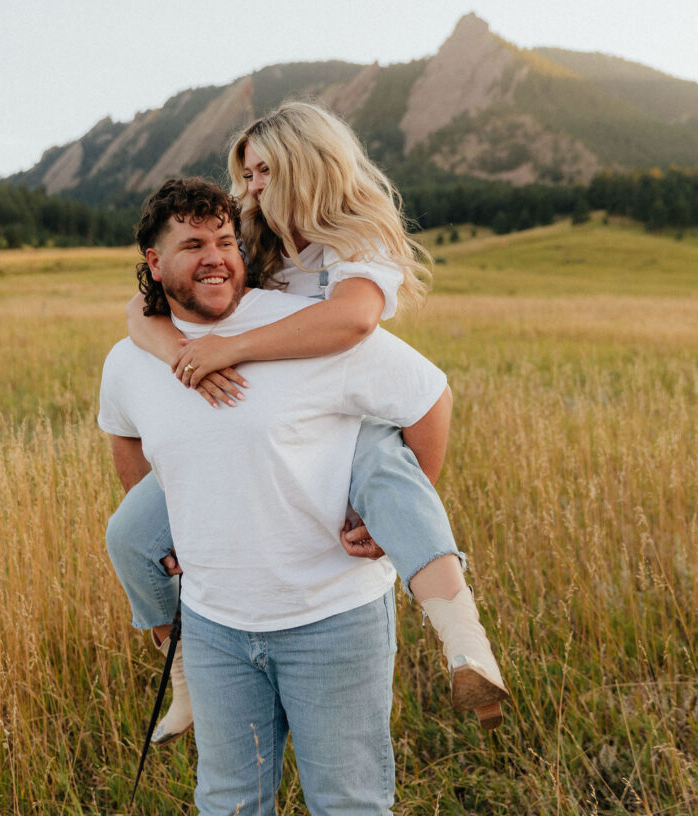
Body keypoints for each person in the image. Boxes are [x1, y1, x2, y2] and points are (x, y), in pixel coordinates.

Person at [110, 103, 507, 748]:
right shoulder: (253, 231)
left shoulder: (359, 240)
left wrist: (230, 349)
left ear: (307, 166)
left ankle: (465, 644)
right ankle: (180, 668)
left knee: (389, 477)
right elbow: (142, 302)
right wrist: (181, 356)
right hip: (264, 420)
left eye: (264, 170)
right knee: (130, 532)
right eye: (248, 173)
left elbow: (351, 322)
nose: (251, 186)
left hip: (348, 410)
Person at [100, 177, 456, 814]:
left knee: (347, 803)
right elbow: (127, 442)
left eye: (225, 240)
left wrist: (390, 515)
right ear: (154, 263)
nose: (215, 255)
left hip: (332, 618)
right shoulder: (131, 360)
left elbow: (426, 396)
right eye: (192, 244)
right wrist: (175, 526)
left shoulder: (302, 328)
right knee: (228, 803)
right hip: (214, 628)